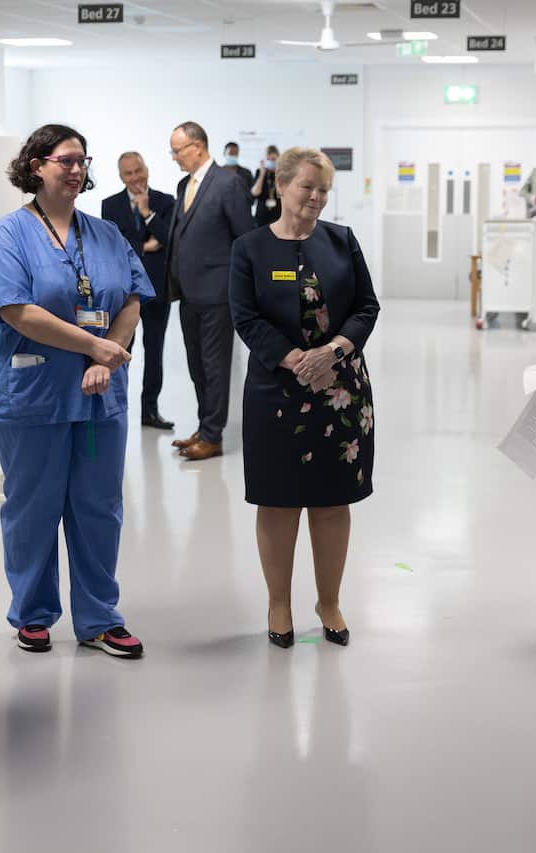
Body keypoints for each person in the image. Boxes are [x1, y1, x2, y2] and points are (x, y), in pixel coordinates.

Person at [0, 124, 152, 659]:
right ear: (36, 166)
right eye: (65, 160)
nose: (77, 170)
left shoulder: (106, 234)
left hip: (99, 397)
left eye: (83, 161)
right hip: (32, 396)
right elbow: (17, 311)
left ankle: (100, 618)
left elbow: (131, 298)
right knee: (33, 509)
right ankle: (32, 614)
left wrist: (109, 354)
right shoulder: (9, 235)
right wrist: (92, 346)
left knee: (99, 507)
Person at [229, 147, 380, 649]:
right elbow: (245, 317)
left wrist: (333, 352)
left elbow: (366, 307)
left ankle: (328, 601)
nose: (316, 197)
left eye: (324, 190)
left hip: (340, 390)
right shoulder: (250, 248)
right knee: (277, 501)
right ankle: (279, 602)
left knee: (332, 500)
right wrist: (296, 359)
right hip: (276, 390)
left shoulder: (342, 240)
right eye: (307, 187)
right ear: (280, 186)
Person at [166, 121, 257, 460]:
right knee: (197, 366)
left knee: (215, 366)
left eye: (177, 150)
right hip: (187, 293)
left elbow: (245, 238)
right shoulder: (184, 185)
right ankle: (205, 425)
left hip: (217, 293)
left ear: (198, 147)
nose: (174, 157)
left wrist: (241, 289)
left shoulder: (228, 184)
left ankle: (213, 436)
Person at [101, 151, 177, 429]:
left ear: (147, 169)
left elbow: (170, 239)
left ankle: (150, 412)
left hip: (157, 289)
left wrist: (147, 213)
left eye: (138, 171)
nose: (135, 178)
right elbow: (113, 245)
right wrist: (146, 246)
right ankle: (115, 408)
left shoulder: (166, 202)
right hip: (124, 292)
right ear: (121, 177)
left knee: (154, 351)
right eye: (128, 173)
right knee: (120, 350)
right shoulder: (110, 205)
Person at [250, 145, 283, 227]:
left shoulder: (282, 174)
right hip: (262, 215)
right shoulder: (259, 172)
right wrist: (262, 174)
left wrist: (278, 173)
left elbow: (280, 193)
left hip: (277, 214)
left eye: (273, 159)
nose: (270, 161)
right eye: (268, 159)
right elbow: (255, 193)